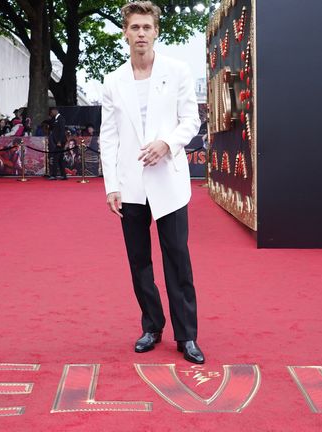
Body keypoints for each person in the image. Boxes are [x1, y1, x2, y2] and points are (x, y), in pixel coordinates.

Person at [100, 1, 203, 364]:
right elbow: (108, 136)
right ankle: (152, 325)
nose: (141, 33)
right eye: (135, 27)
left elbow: (191, 121)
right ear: (125, 33)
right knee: (139, 261)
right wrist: (111, 184)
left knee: (178, 259)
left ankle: (186, 335)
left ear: (156, 31)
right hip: (130, 186)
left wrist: (167, 143)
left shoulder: (177, 71)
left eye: (147, 27)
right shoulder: (113, 81)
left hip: (170, 183)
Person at [48, 107, 67, 180]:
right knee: (60, 159)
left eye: (51, 112)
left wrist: (59, 141)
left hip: (60, 142)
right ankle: (63, 175)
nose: (51, 113)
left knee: (56, 158)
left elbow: (62, 131)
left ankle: (53, 175)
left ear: (55, 111)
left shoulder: (61, 118)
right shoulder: (56, 119)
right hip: (57, 141)